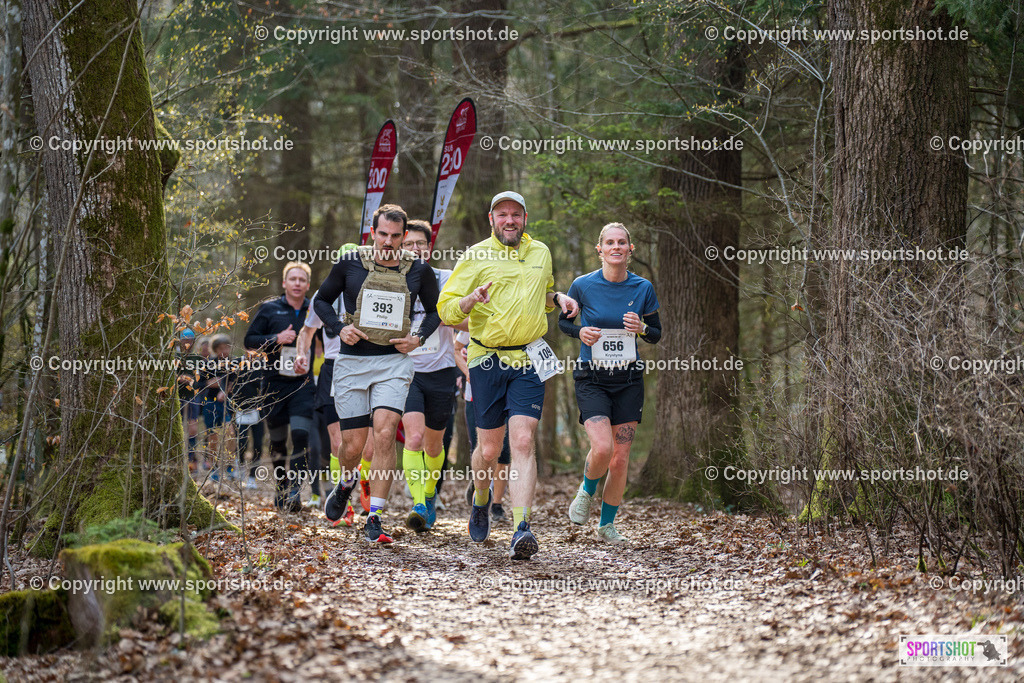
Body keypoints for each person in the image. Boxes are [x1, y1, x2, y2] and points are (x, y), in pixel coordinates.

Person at [438, 190, 578, 559]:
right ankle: (481, 499)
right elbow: (447, 309)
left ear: (525, 218)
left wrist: (559, 299)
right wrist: (471, 300)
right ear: (491, 219)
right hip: (487, 359)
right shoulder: (475, 256)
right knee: (487, 449)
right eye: (503, 214)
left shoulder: (541, 253)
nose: (510, 220)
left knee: (521, 441)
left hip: (529, 358)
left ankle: (521, 527)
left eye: (516, 214)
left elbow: (544, 294)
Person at [313, 205, 441, 544]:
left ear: (403, 237)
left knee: (384, 434)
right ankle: (345, 483)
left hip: (392, 363)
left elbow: (436, 311)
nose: (388, 242)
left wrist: (419, 338)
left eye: (395, 236)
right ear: (373, 232)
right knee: (352, 447)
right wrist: (339, 328)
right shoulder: (350, 263)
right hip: (353, 363)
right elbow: (322, 302)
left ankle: (376, 516)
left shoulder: (418, 270)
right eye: (382, 234)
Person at [559, 223, 661, 543]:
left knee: (620, 457)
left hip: (628, 378)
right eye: (609, 242)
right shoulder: (582, 285)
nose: (616, 247)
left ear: (630, 249)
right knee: (602, 448)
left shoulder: (642, 288)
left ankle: (607, 525)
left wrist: (642, 327)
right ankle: (586, 492)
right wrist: (580, 333)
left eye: (622, 242)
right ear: (599, 249)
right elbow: (564, 322)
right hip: (592, 376)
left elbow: (656, 333)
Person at [399, 220, 464, 532]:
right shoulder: (393, 280)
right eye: (408, 244)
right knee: (413, 438)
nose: (415, 249)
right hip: (406, 372)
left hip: (441, 372)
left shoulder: (445, 279)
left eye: (420, 244)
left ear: (429, 246)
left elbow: (460, 318)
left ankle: (429, 493)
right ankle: (419, 504)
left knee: (434, 446)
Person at [295, 243, 360, 527]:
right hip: (334, 368)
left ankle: (367, 497)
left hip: (364, 367)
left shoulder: (370, 290)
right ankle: (342, 500)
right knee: (338, 442)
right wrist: (301, 353)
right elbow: (307, 331)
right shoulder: (324, 297)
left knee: (362, 447)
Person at [244, 261, 315, 512]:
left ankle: (295, 489)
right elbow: (249, 340)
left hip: (304, 384)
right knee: (277, 442)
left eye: (302, 280)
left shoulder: (314, 311)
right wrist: (276, 338)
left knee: (301, 435)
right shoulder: (270, 309)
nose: (297, 284)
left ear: (308, 284)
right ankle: (282, 485)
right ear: (284, 283)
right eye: (293, 279)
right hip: (273, 383)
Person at [455, 330, 510, 523]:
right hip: (475, 395)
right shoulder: (474, 321)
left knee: (504, 452)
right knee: (481, 449)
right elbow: (456, 348)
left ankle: (497, 505)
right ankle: (480, 494)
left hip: (506, 390)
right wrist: (467, 371)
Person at [176, 329, 202, 470]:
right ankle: (178, 459)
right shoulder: (174, 356)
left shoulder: (196, 358)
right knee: (177, 428)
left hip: (192, 397)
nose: (188, 343)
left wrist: (191, 381)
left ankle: (192, 460)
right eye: (185, 340)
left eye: (190, 341)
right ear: (180, 341)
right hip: (177, 397)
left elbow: (201, 380)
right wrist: (178, 379)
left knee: (193, 429)